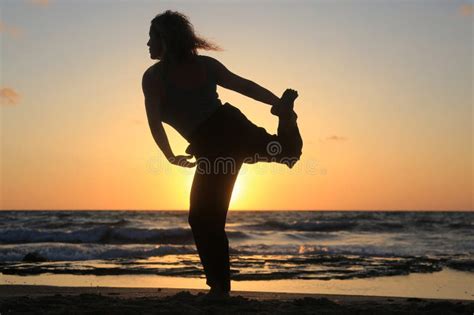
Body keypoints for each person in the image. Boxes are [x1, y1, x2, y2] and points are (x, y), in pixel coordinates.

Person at [142, 10, 303, 300]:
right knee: (287, 154)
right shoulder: (204, 66)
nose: (147, 43)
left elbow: (154, 121)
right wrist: (277, 102)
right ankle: (286, 117)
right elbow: (244, 86)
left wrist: (168, 155)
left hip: (214, 145)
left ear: (166, 40)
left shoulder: (153, 78)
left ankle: (219, 289)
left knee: (203, 218)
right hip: (231, 127)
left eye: (152, 37)